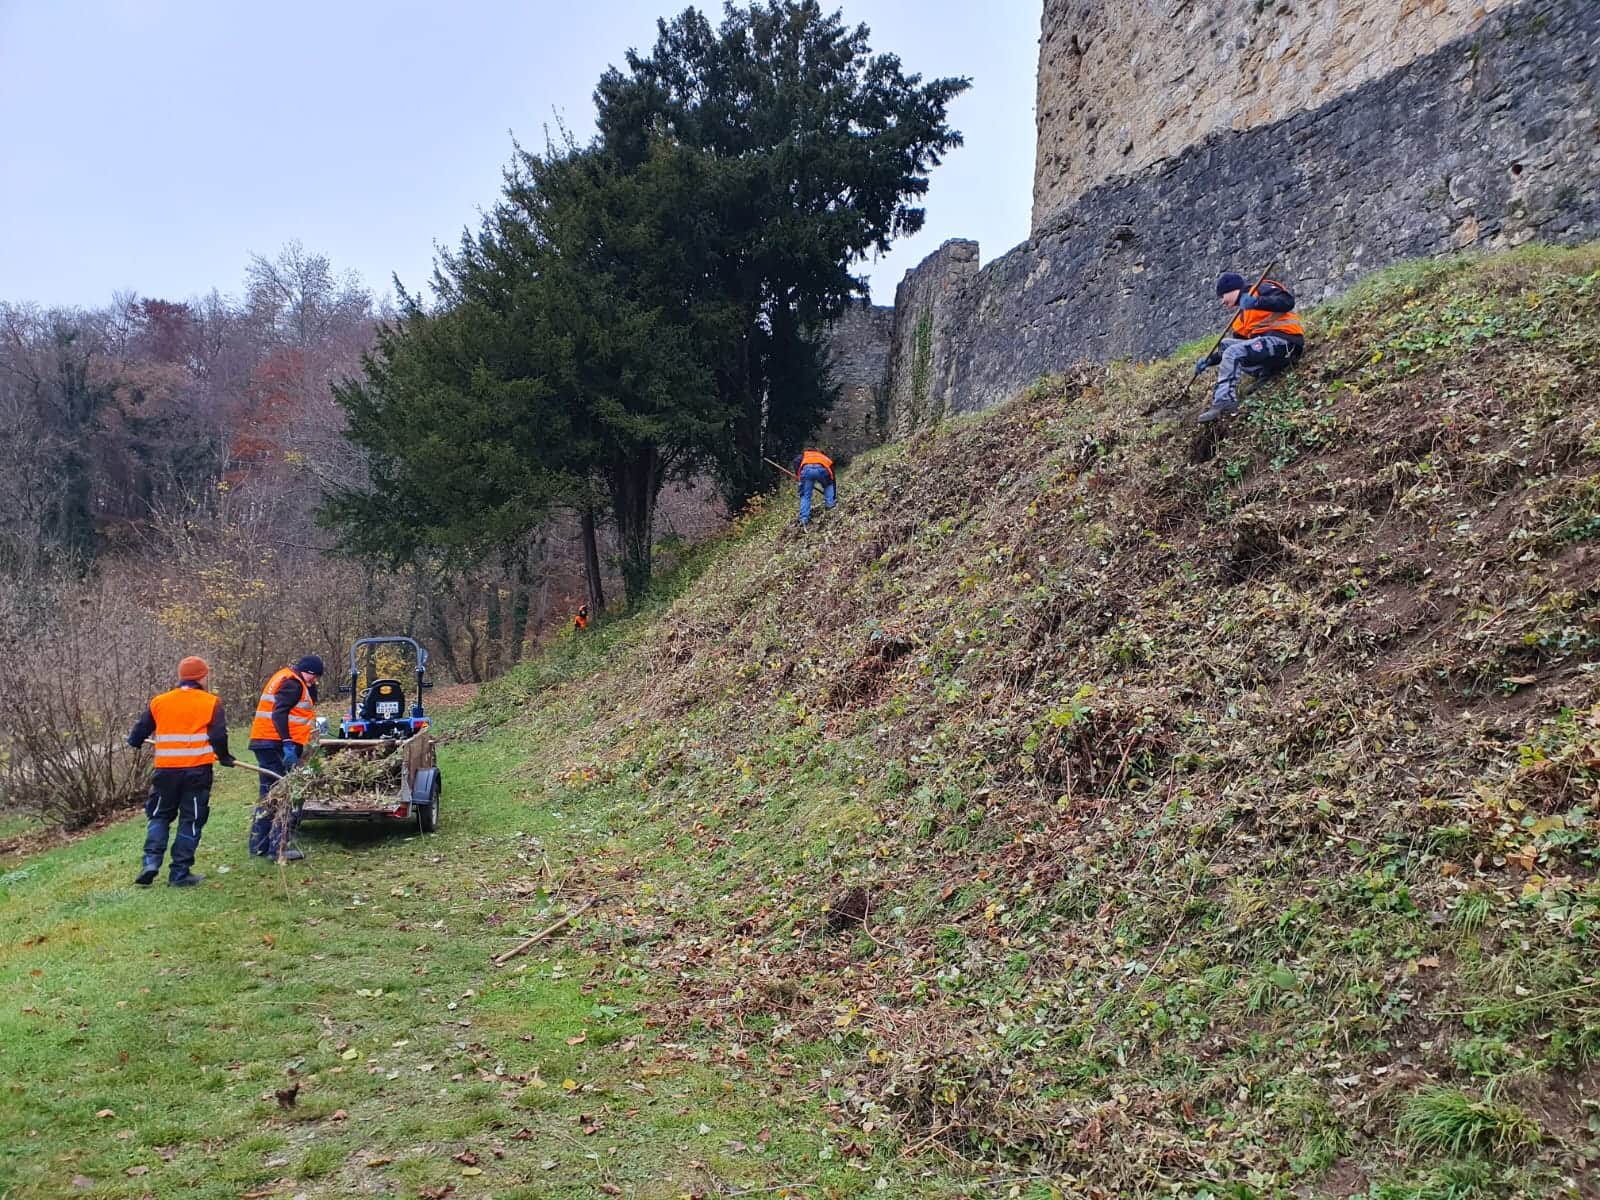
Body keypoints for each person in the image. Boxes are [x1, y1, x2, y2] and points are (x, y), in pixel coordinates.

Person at [127, 655, 234, 887]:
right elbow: (218, 735)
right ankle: (179, 873)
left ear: (181, 676)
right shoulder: (211, 702)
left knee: (159, 815)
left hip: (165, 772)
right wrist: (224, 757)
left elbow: (141, 730)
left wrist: (134, 740)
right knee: (191, 820)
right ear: (203, 677)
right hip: (196, 773)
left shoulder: (160, 702)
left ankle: (151, 861)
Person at [1192, 271, 1305, 423]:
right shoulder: (1241, 318)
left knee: (1233, 351)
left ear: (1232, 290)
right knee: (1226, 345)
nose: (1222, 302)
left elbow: (1287, 301)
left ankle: (1224, 401)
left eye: (1223, 296)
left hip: (1285, 343)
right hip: (1266, 349)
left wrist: (1257, 302)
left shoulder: (1260, 289)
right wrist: (1210, 361)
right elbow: (1239, 348)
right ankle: (1266, 372)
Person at [247, 655, 323, 861]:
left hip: (265, 742)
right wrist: (288, 742)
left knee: (269, 794)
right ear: (306, 670)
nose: (314, 681)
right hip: (277, 745)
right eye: (314, 677)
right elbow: (279, 713)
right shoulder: (293, 684)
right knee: (284, 794)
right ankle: (278, 848)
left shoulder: (287, 678)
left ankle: (258, 845)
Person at [791, 448, 837, 527]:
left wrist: (798, 475)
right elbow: (832, 479)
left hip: (806, 471)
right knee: (828, 485)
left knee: (805, 496)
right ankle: (830, 506)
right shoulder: (824, 457)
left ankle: (804, 519)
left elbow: (795, 461)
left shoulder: (804, 455)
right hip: (822, 469)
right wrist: (834, 495)